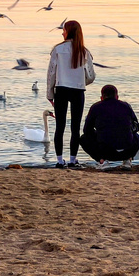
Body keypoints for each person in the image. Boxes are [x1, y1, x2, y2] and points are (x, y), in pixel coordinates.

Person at [46, 19, 96, 167]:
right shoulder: (84, 51)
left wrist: (50, 93)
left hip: (61, 90)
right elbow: (91, 76)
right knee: (75, 127)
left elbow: (51, 74)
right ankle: (73, 160)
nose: (62, 32)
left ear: (69, 32)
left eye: (64, 30)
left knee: (59, 126)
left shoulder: (58, 50)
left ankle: (60, 161)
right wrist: (81, 81)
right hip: (78, 90)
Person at [79, 84, 139, 169]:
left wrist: (99, 133)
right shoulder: (126, 106)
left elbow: (87, 130)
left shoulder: (96, 107)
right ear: (117, 97)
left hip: (105, 151)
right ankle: (127, 160)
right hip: (127, 150)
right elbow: (136, 127)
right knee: (137, 137)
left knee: (83, 139)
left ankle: (102, 161)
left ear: (102, 97)